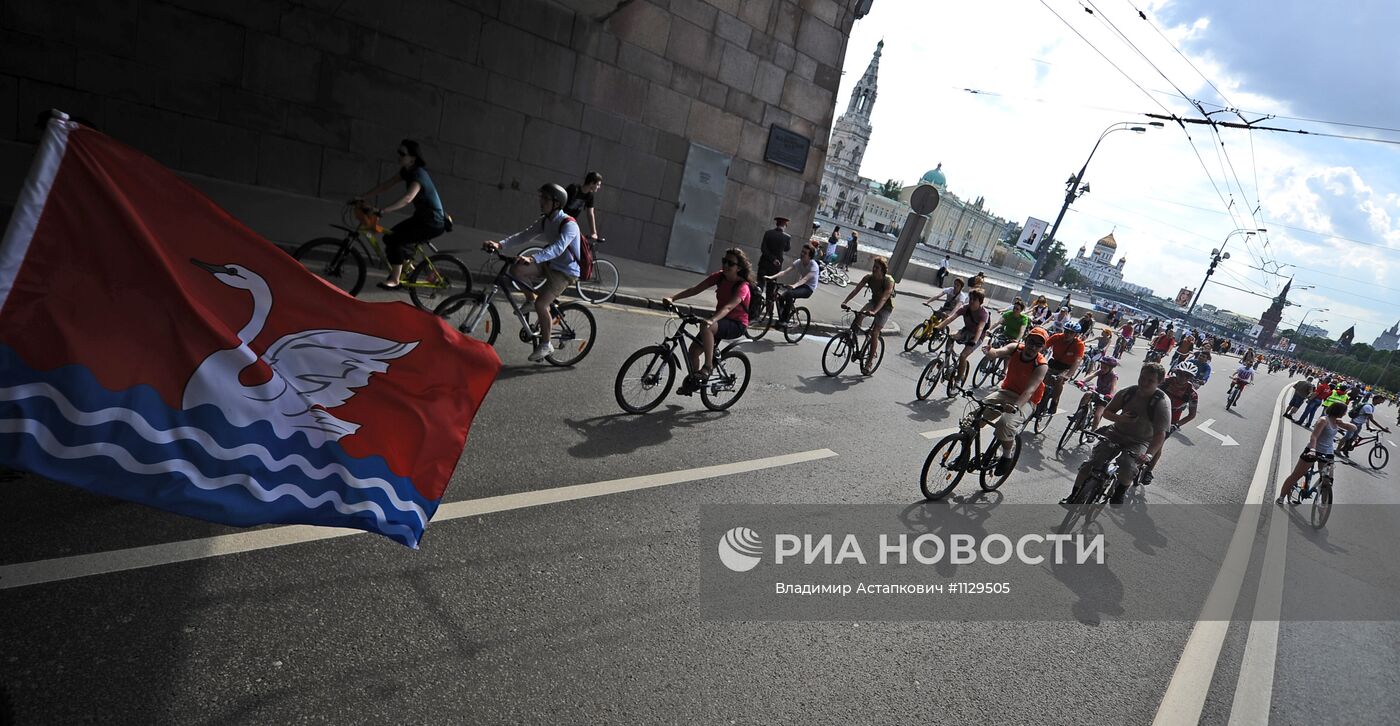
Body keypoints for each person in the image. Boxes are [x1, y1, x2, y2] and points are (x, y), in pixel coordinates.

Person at [484, 183, 582, 362]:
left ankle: (546, 344)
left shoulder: (569, 225)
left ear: (556, 203)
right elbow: (524, 235)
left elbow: (559, 248)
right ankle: (530, 299)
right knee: (517, 269)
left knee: (541, 305)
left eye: (545, 198)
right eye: (541, 197)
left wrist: (534, 258)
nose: (541, 201)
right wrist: (500, 244)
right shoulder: (546, 220)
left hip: (566, 271)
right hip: (550, 264)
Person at [1063, 362, 1172, 507]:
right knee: (1089, 465)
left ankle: (1119, 492)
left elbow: (1160, 434)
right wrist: (1121, 418)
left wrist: (1149, 455)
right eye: (1142, 377)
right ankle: (1073, 496)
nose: (1144, 383)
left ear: (1160, 382)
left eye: (1150, 381)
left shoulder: (1162, 403)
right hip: (1116, 433)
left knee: (1128, 467)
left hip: (1140, 441)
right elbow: (1107, 412)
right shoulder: (1128, 392)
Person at [355, 139, 446, 289]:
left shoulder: (418, 175)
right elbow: (386, 185)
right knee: (390, 237)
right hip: (422, 218)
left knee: (395, 240)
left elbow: (408, 198)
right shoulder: (407, 171)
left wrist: (383, 210)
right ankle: (408, 268)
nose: (399, 156)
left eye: (402, 154)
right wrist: (363, 197)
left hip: (432, 223)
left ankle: (395, 280)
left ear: (413, 158)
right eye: (399, 153)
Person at [663, 248, 752, 394]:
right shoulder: (720, 277)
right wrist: (673, 298)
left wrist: (712, 320)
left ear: (739, 268)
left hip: (736, 324)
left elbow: (729, 307)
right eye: (725, 261)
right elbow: (696, 289)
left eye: (731, 263)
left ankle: (708, 367)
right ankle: (695, 382)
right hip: (719, 321)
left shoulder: (743, 287)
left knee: (706, 326)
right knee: (693, 351)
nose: (726, 265)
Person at [978, 327, 1051, 477]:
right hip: (1006, 392)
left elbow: (1029, 391)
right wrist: (990, 351)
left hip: (1027, 401)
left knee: (1005, 423)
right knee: (977, 414)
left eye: (1038, 345)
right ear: (1026, 340)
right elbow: (997, 353)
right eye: (1031, 341)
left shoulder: (1041, 365)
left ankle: (1006, 456)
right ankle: (965, 446)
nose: (1033, 346)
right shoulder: (1015, 348)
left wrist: (1015, 406)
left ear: (1042, 347)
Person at [1276, 402, 1354, 505]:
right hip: (1314, 450)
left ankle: (1323, 507)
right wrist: (1312, 450)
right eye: (1344, 412)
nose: (1345, 414)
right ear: (1339, 411)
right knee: (1296, 475)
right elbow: (1314, 437)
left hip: (1328, 453)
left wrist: (1343, 424)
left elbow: (1354, 428)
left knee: (1328, 481)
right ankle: (1281, 497)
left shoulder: (1337, 422)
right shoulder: (1323, 420)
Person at [1138, 362, 1200, 485]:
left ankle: (1149, 470)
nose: (1182, 378)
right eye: (1180, 374)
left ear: (1190, 378)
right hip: (1154, 409)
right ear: (1176, 372)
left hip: (1172, 418)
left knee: (1159, 443)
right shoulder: (1165, 382)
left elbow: (1191, 415)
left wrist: (1176, 425)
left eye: (1187, 376)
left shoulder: (1192, 394)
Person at [840, 256, 897, 370]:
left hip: (885, 307)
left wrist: (874, 311)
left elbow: (885, 298)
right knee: (859, 316)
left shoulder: (888, 280)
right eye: (873, 267)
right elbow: (856, 290)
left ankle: (869, 362)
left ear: (882, 270)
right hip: (874, 302)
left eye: (877, 267)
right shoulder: (868, 278)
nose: (874, 269)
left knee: (875, 332)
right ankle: (852, 340)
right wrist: (845, 301)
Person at [931, 288, 991, 386]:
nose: (971, 301)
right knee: (950, 337)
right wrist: (938, 327)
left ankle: (958, 379)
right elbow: (951, 318)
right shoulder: (965, 308)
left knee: (963, 356)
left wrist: (974, 341)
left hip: (977, 336)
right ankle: (947, 362)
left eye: (974, 300)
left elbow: (980, 329)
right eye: (970, 298)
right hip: (966, 331)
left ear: (980, 302)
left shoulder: (983, 313)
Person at [764, 243, 818, 325]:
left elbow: (805, 279)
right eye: (802, 251)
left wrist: (794, 285)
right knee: (781, 298)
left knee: (789, 294)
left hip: (808, 288)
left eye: (805, 253)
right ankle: (783, 316)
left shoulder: (814, 266)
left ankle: (785, 320)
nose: (802, 254)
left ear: (810, 256)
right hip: (801, 285)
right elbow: (785, 272)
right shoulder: (799, 262)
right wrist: (771, 277)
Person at [1039, 322, 1086, 414]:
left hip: (1067, 367)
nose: (1067, 334)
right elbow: (1043, 347)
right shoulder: (1057, 337)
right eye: (1066, 331)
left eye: (1071, 333)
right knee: (1042, 379)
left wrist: (1068, 375)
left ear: (1075, 335)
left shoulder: (1079, 344)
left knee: (1059, 379)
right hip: (1054, 362)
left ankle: (1054, 401)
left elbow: (1077, 361)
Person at [1074, 354, 1119, 429]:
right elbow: (1091, 375)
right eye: (1101, 366)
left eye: (1105, 368)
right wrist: (1082, 381)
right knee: (1087, 393)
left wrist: (1110, 395)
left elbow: (1113, 387)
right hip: (1098, 391)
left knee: (1097, 415)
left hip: (1105, 397)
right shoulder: (1100, 371)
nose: (1102, 369)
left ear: (1110, 368)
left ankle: (1092, 432)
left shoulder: (1113, 376)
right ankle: (1078, 413)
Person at [757, 216, 793, 299]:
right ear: (784, 226)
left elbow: (763, 249)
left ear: (776, 224)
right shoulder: (787, 237)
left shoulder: (768, 233)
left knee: (760, 285)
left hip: (764, 263)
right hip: (776, 266)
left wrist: (772, 259)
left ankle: (756, 306)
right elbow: (787, 249)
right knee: (770, 288)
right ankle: (769, 310)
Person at [563, 171, 603, 241]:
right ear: (591, 183)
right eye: (598, 184)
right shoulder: (573, 189)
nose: (599, 187)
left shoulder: (590, 196)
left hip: (570, 223)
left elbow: (590, 214)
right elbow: (560, 202)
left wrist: (594, 233)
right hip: (560, 219)